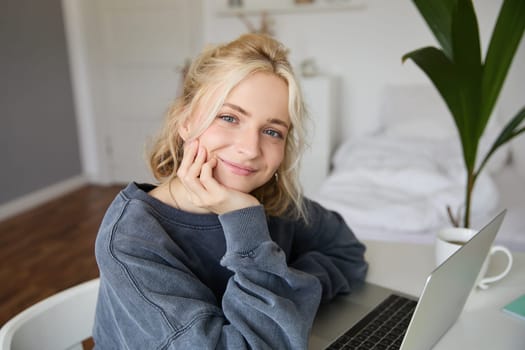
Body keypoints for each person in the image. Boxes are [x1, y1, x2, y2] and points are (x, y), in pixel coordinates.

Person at [93, 33, 368, 349]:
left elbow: (346, 251)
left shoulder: (269, 203)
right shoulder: (132, 240)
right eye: (229, 117)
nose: (250, 149)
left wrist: (293, 295)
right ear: (185, 120)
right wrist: (246, 227)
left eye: (271, 131)